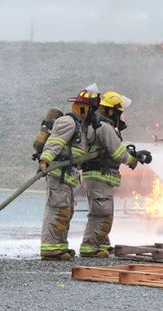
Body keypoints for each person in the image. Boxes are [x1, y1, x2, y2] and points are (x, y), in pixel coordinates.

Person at [38, 87, 100, 261]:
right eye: (92, 109)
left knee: (65, 210)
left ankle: (59, 246)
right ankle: (50, 249)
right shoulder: (69, 122)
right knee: (57, 209)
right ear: (83, 108)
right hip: (58, 173)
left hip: (67, 176)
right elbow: (55, 142)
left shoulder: (80, 125)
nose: (93, 114)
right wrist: (45, 161)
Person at [79, 91, 142, 258]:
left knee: (104, 211)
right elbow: (118, 153)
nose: (121, 117)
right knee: (101, 212)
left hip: (99, 177)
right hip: (99, 176)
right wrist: (133, 160)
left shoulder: (99, 126)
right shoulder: (105, 127)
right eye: (119, 113)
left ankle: (102, 243)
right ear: (110, 111)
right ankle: (90, 247)